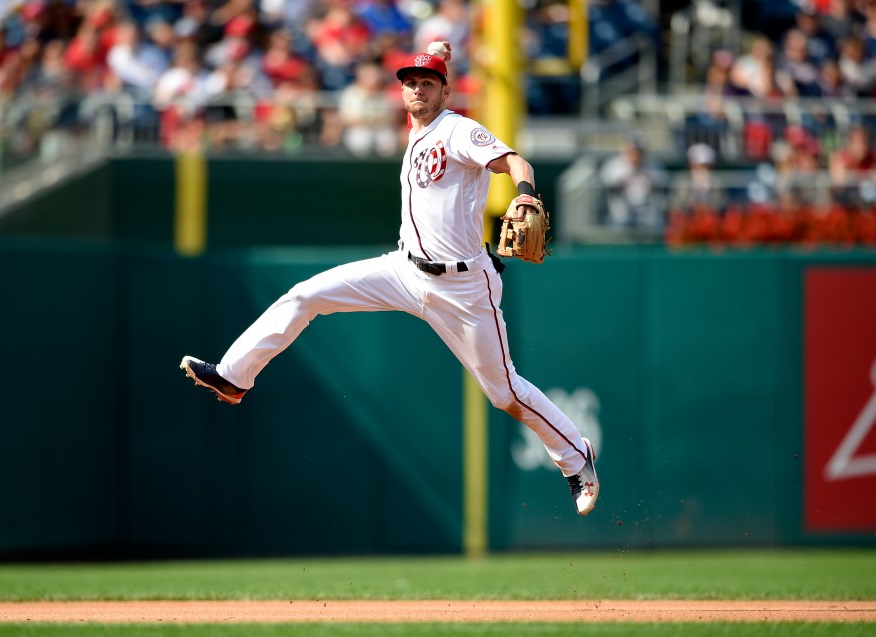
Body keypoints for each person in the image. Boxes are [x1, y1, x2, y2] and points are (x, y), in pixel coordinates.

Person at [179, 44, 600, 516]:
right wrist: (436, 53)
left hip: (462, 288)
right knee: (305, 295)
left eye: (428, 82)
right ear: (401, 91)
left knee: (505, 394)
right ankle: (234, 377)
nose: (417, 89)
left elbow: (518, 163)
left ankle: (575, 457)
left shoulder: (460, 130)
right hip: (403, 270)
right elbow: (420, 106)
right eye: (410, 82)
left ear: (446, 91)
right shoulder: (417, 129)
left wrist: (523, 195)